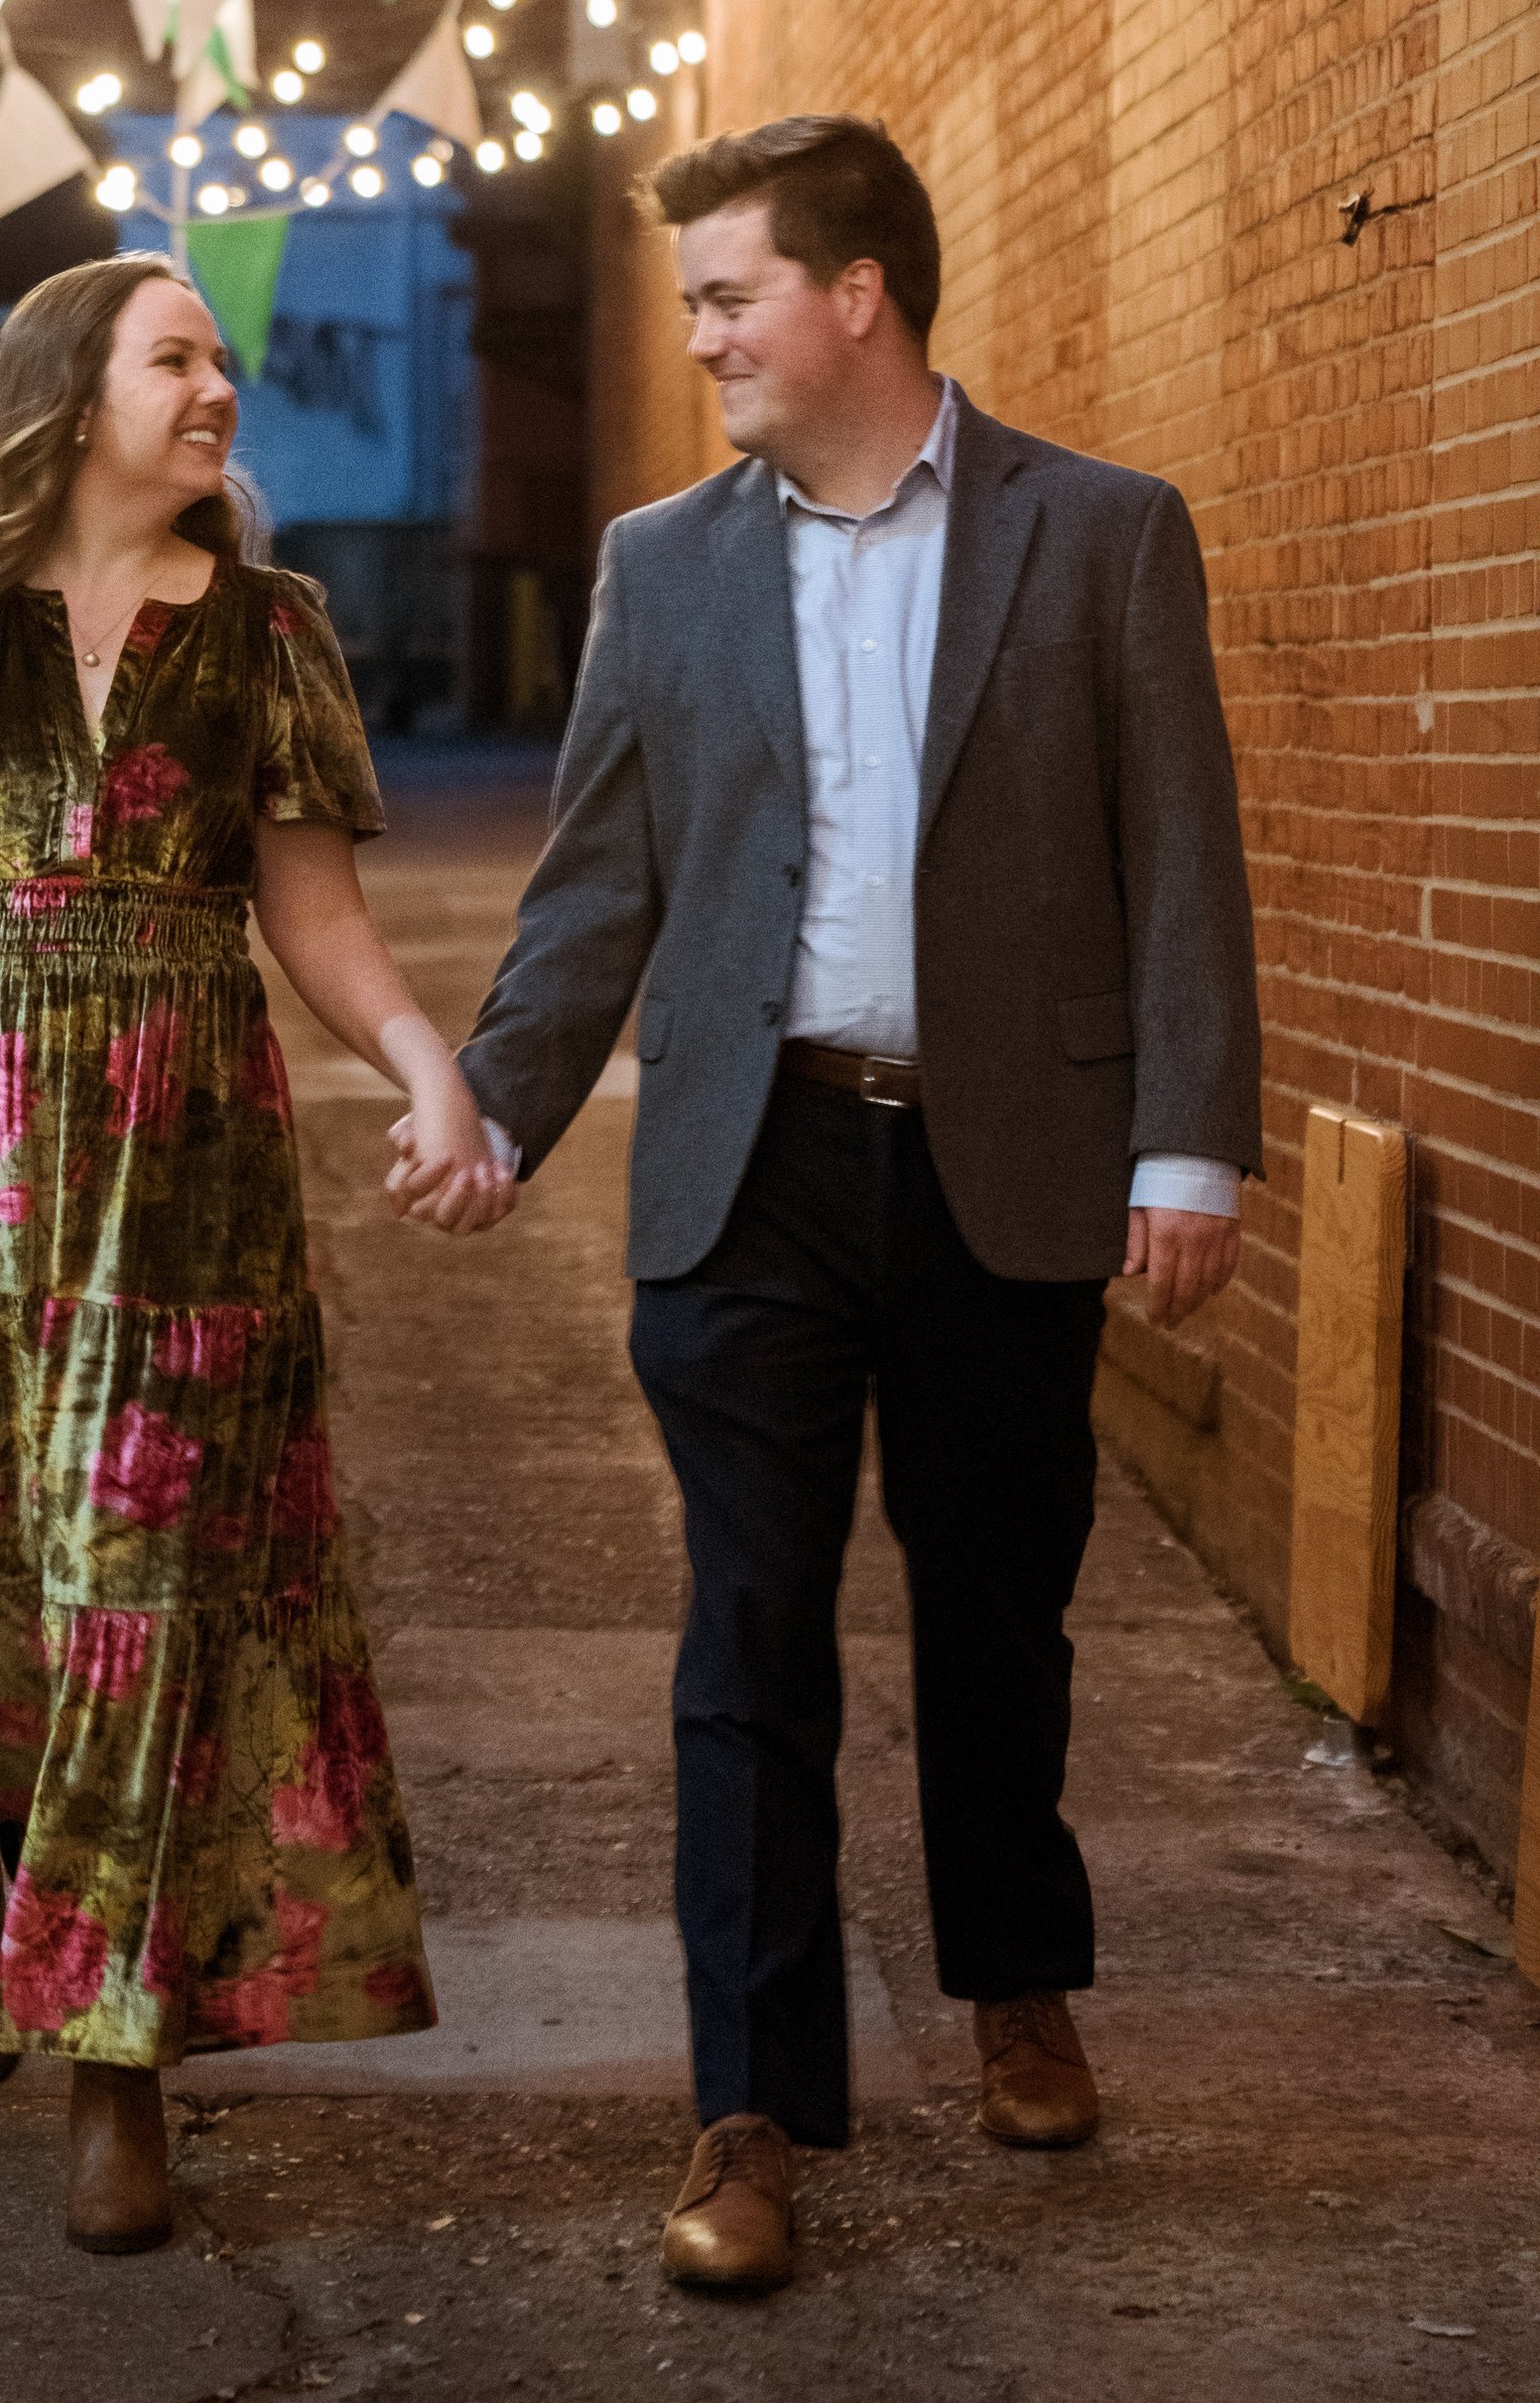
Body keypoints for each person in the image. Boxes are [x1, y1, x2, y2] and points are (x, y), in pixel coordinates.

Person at [389, 115, 1259, 2297]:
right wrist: (493, 1100)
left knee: (994, 1604)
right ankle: (751, 2098)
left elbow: (1178, 856)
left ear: (852, 288)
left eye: (725, 293)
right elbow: (598, 879)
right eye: (688, 298)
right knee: (746, 1633)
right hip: (744, 1155)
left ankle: (1014, 1969)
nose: (697, 336)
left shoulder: (1098, 534)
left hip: (1006, 1155)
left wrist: (1184, 1138)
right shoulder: (662, 559)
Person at [0, 253, 499, 2256]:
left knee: (150, 1592)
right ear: (70, 393)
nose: (218, 385)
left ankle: (117, 2061)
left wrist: (424, 1064)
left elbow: (307, 914)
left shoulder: (274, 635)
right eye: (177, 355)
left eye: (219, 357)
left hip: (176, 1169)